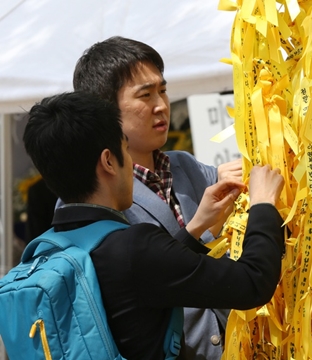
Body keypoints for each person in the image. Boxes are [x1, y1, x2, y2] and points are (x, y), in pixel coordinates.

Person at [23, 91, 285, 360]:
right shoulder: (134, 247)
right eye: (125, 149)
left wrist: (195, 230)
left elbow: (150, 274)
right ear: (108, 161)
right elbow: (253, 282)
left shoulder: (47, 249)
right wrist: (263, 204)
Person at [72, 36, 240, 359]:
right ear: (106, 112)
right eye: (145, 95)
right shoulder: (92, 196)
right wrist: (198, 227)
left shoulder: (185, 166)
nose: (162, 105)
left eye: (162, 90)